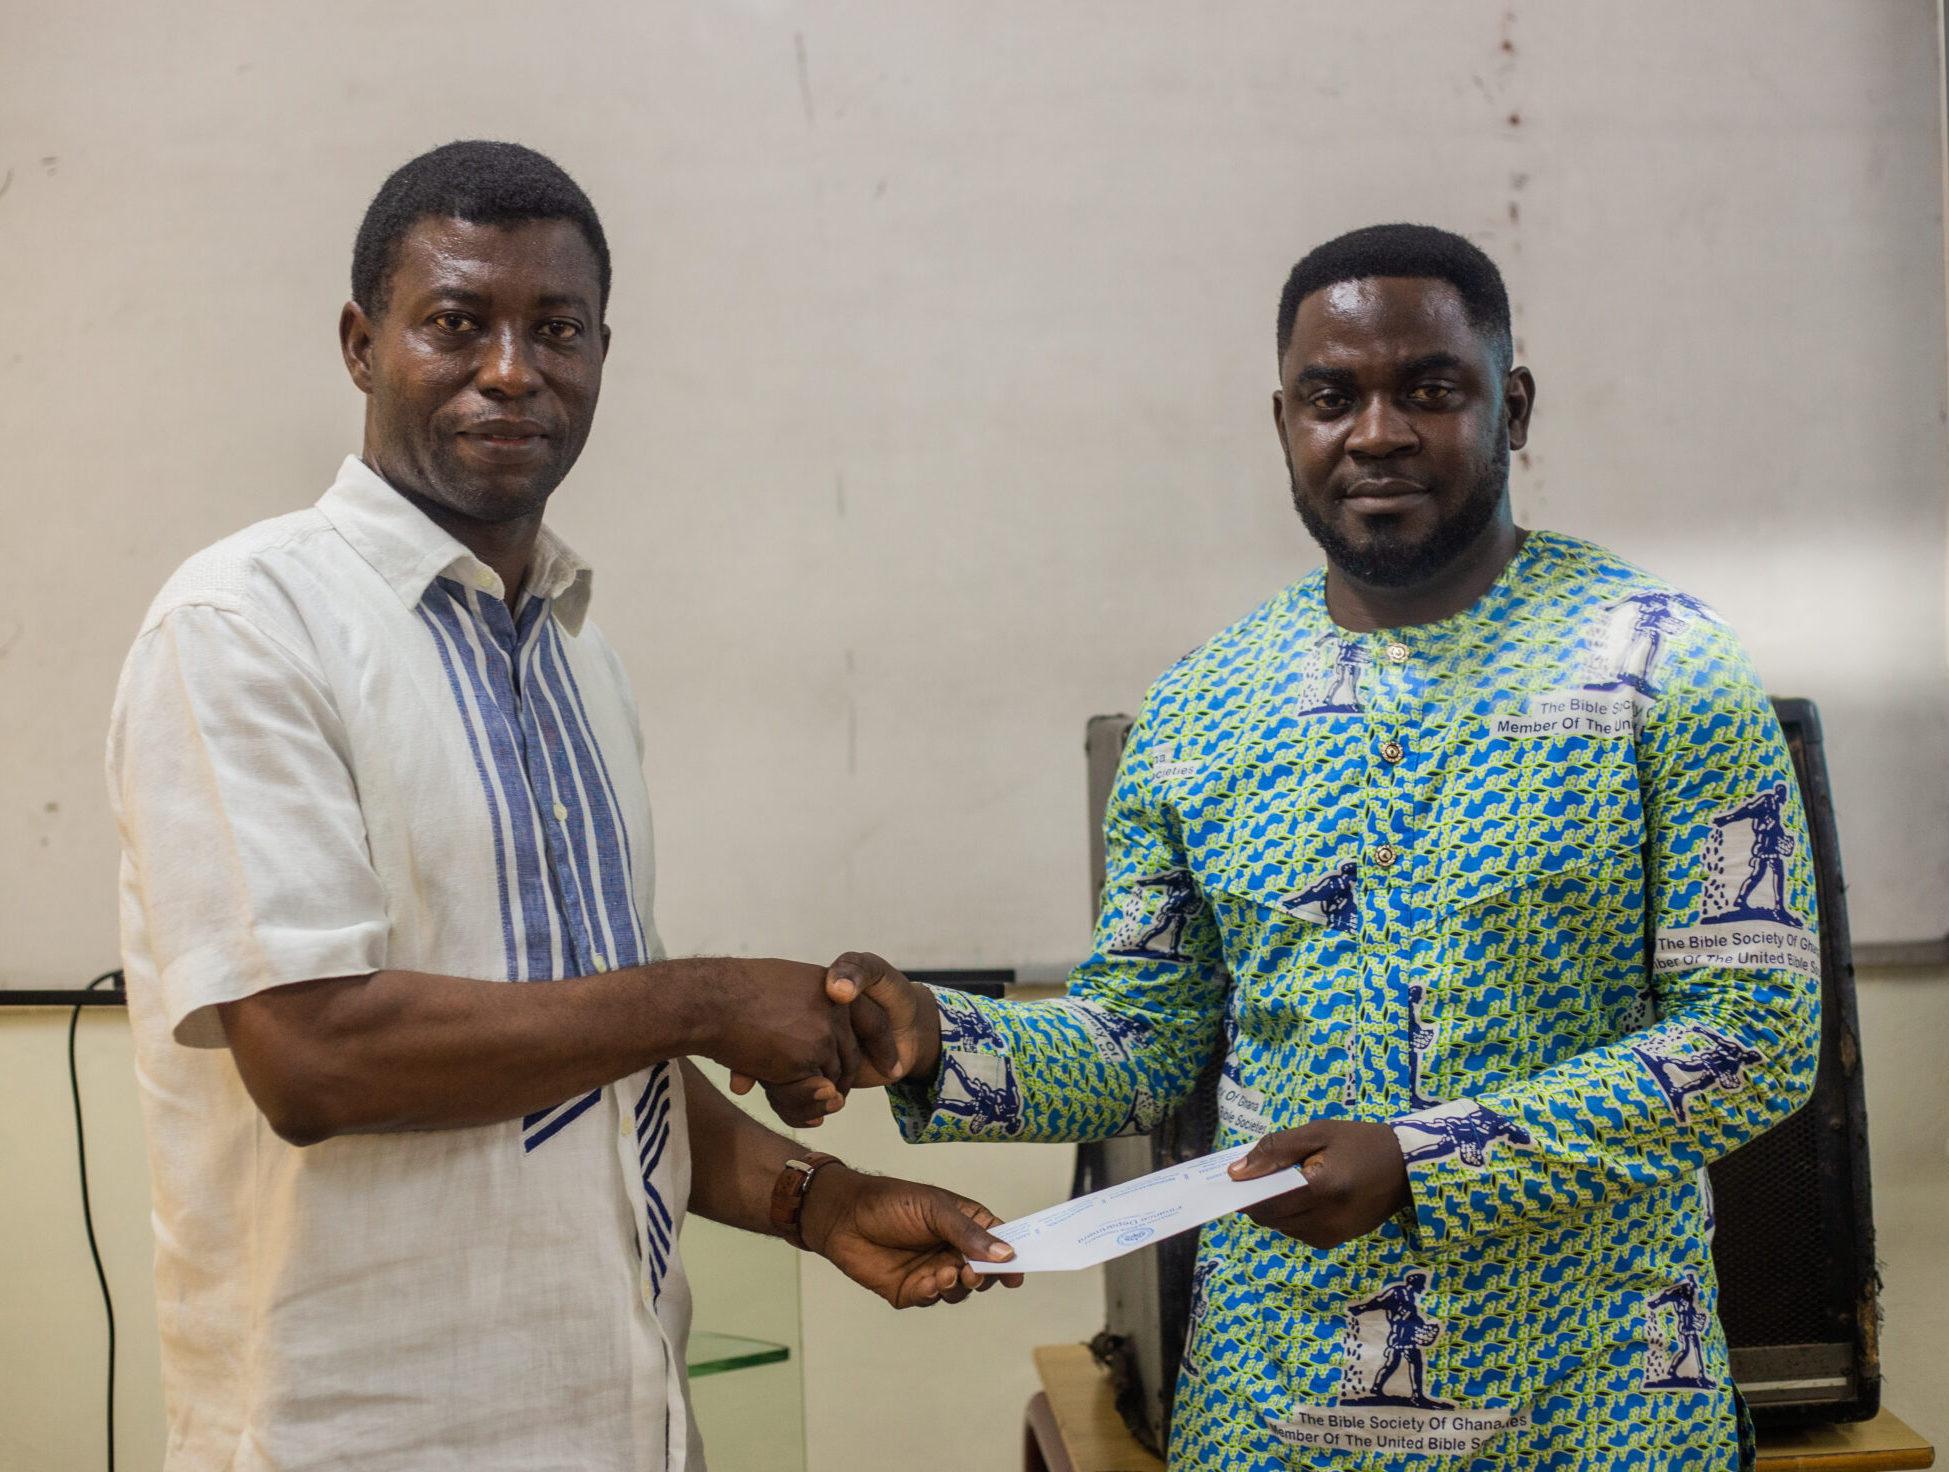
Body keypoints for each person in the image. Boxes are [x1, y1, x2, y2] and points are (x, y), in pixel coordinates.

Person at [765, 224, 1820, 1469]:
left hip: (1594, 1410)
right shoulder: (1201, 705)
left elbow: (1753, 1035)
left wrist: (1422, 1160)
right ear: (1282, 424)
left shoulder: (1663, 665)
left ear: (1513, 406)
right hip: (1271, 1412)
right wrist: (936, 1039)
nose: (1375, 433)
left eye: (1427, 389)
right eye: (1330, 397)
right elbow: (1141, 1040)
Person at [107, 140, 1014, 1472]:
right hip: (366, 1442)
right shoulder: (243, 625)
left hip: (629, 1424)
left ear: (601, 354)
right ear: (361, 345)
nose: (512, 369)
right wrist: (706, 998)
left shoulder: (585, 659)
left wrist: (816, 1199)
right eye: (455, 322)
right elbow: (313, 1057)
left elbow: (586, 1057)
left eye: (558, 328)